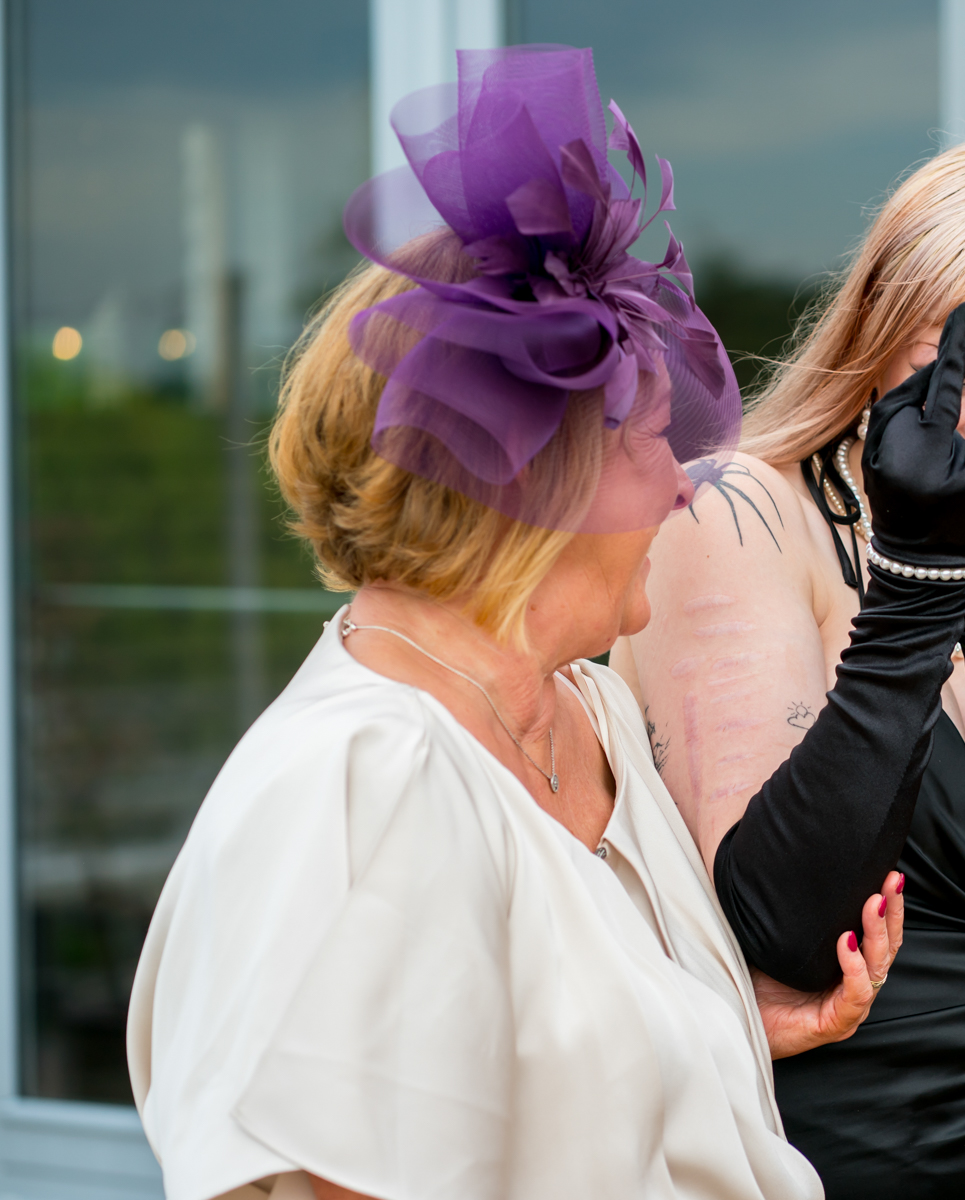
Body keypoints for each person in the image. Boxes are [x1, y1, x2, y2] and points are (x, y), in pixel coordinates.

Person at [125, 46, 910, 1200]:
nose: (689, 485)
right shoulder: (363, 786)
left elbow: (539, 1061)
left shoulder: (580, 707)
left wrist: (728, 1028)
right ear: (530, 483)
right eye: (652, 441)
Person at [610, 2, 965, 1196]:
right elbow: (781, 927)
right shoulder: (744, 515)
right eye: (954, 373)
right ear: (877, 350)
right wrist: (919, 588)